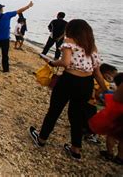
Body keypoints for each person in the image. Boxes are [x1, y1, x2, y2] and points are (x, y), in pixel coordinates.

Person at [29, 19, 108, 160]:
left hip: (69, 81)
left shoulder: (69, 41)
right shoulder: (92, 47)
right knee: (77, 116)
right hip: (86, 83)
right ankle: (75, 150)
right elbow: (97, 72)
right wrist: (106, 91)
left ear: (71, 29)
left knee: (54, 110)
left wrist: (53, 63)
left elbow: (65, 62)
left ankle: (41, 139)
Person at [0, 2, 33, 72]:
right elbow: (19, 11)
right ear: (1, 9)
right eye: (2, 8)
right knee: (5, 54)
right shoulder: (7, 15)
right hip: (5, 39)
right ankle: (5, 69)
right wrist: (28, 6)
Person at [92, 74, 123, 165]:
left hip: (120, 113)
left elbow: (116, 97)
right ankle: (120, 157)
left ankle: (109, 153)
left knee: (112, 134)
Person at [83, 63, 118, 143]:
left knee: (86, 117)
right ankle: (90, 135)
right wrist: (104, 101)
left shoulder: (95, 78)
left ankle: (84, 129)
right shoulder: (104, 83)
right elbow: (98, 94)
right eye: (114, 76)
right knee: (93, 120)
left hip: (87, 101)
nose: (114, 79)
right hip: (93, 103)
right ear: (107, 75)